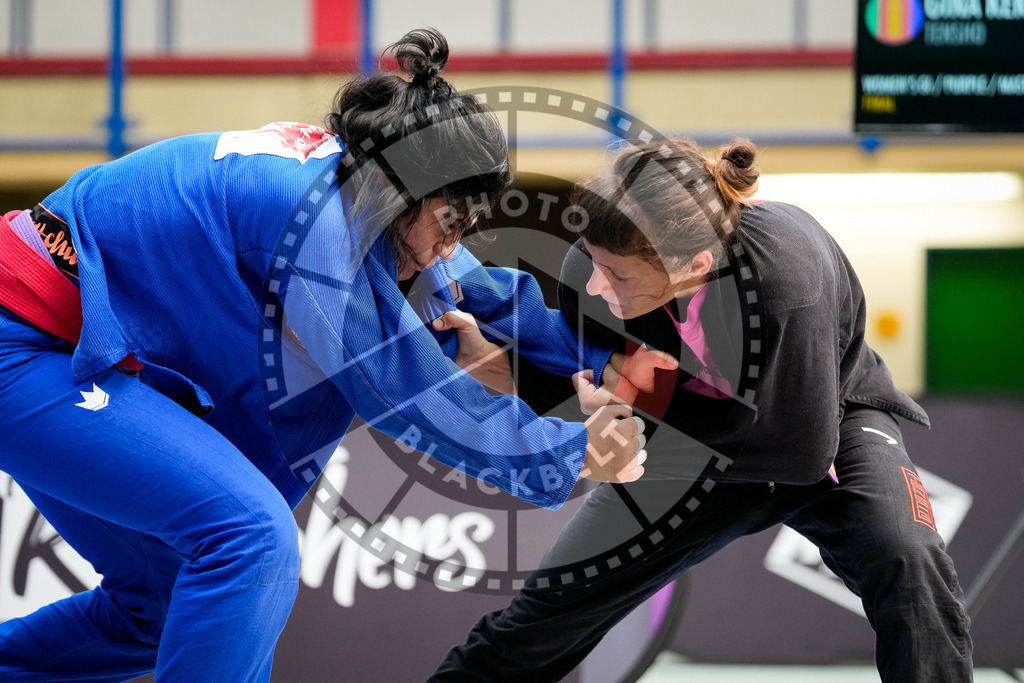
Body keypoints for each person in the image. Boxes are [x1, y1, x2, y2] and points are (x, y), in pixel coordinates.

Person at [0, 29, 646, 681]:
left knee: (164, 607)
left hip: (63, 344)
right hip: (23, 341)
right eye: (451, 224)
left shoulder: (365, 182)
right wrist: (568, 450)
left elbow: (484, 291)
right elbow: (400, 385)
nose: (453, 246)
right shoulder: (316, 220)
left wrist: (617, 351)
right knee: (249, 541)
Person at [431, 139, 974, 682]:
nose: (596, 284)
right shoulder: (590, 274)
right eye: (593, 261)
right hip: (690, 444)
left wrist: (632, 396)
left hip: (826, 421)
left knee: (911, 564)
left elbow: (798, 456)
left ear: (694, 265)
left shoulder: (784, 277)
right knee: (545, 615)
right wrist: (508, 368)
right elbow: (589, 368)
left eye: (617, 275)